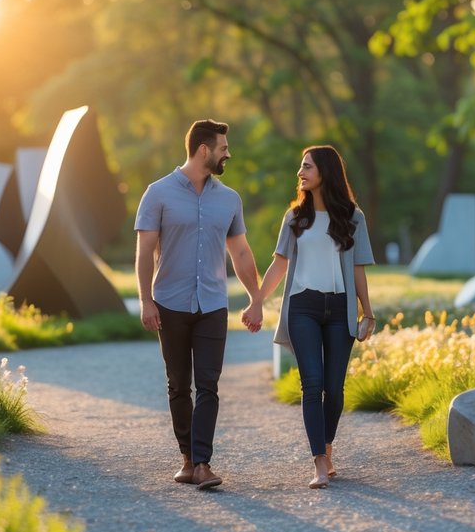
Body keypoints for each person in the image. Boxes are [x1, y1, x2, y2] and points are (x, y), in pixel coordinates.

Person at [135, 119, 262, 491]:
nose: (228, 154)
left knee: (209, 384)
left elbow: (239, 250)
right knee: (178, 384)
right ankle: (187, 458)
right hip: (170, 302)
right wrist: (146, 300)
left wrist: (255, 299)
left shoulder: (229, 199)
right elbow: (144, 252)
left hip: (212, 304)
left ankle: (203, 463)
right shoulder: (157, 193)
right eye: (223, 148)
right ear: (204, 150)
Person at [246, 145, 375, 489]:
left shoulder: (352, 216)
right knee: (312, 384)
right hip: (302, 307)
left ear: (325, 172)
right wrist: (256, 300)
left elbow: (359, 268)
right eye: (300, 167)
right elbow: (278, 264)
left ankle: (328, 447)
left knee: (334, 389)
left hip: (339, 310)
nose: (300, 173)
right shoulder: (294, 218)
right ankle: (319, 461)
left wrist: (368, 311)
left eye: (307, 167)